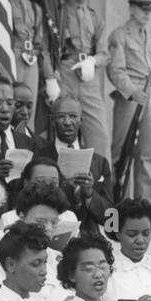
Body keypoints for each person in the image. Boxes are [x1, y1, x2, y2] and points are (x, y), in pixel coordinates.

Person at [107, 0, 151, 204]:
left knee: (146, 154)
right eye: (142, 9)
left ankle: (144, 204)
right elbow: (115, 70)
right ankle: (117, 201)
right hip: (130, 96)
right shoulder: (119, 35)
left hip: (150, 94)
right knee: (121, 152)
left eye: (149, 10)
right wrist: (132, 91)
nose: (147, 14)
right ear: (131, 9)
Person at [34, 95, 113, 237]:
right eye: (61, 116)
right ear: (52, 120)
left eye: (73, 116)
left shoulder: (99, 162)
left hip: (90, 239)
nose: (67, 122)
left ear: (81, 120)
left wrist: (89, 194)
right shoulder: (39, 158)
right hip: (51, 236)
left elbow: (111, 219)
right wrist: (62, 186)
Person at [59, 0, 109, 151]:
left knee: (99, 135)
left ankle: (102, 179)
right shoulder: (60, 12)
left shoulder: (95, 17)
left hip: (88, 76)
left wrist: (92, 60)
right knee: (63, 130)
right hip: (66, 72)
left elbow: (105, 54)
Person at [103, 197, 151, 301]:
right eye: (132, 234)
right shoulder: (106, 266)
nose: (141, 240)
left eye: (146, 233)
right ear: (118, 234)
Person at [8, 0, 47, 125]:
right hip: (11, 57)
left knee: (27, 111)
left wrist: (50, 76)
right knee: (8, 106)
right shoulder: (5, 1)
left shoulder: (35, 8)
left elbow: (40, 45)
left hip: (30, 60)